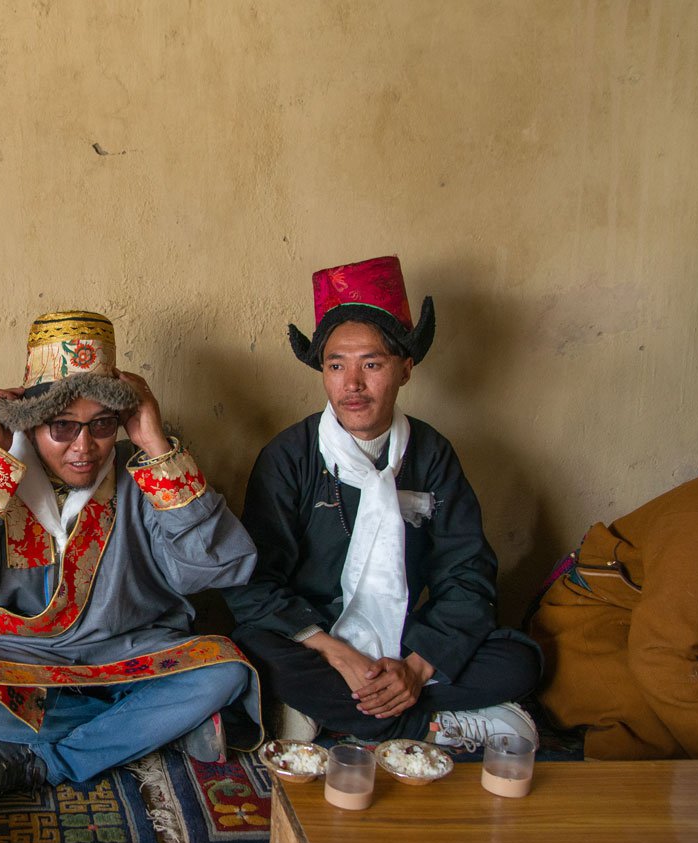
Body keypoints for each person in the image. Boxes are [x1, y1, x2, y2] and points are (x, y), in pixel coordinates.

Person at [0, 310, 262, 808]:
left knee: (225, 671)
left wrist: (155, 444)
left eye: (102, 426)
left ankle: (38, 760)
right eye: (63, 427)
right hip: (19, 659)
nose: (84, 448)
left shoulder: (146, 475)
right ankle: (155, 727)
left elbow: (217, 566)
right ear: (29, 424)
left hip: (130, 650)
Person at [222, 256, 541, 748]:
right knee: (250, 652)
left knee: (522, 660)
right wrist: (333, 651)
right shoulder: (290, 456)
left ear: (405, 369)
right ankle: (430, 725)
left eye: (371, 364)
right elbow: (252, 582)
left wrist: (416, 665)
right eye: (336, 365)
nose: (352, 384)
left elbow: (467, 573)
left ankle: (344, 711)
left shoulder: (431, 453)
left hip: (406, 636)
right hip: (316, 639)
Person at [529, 476, 698, 759]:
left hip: (665, 631)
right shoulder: (697, 522)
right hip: (592, 619)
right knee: (652, 740)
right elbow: (661, 655)